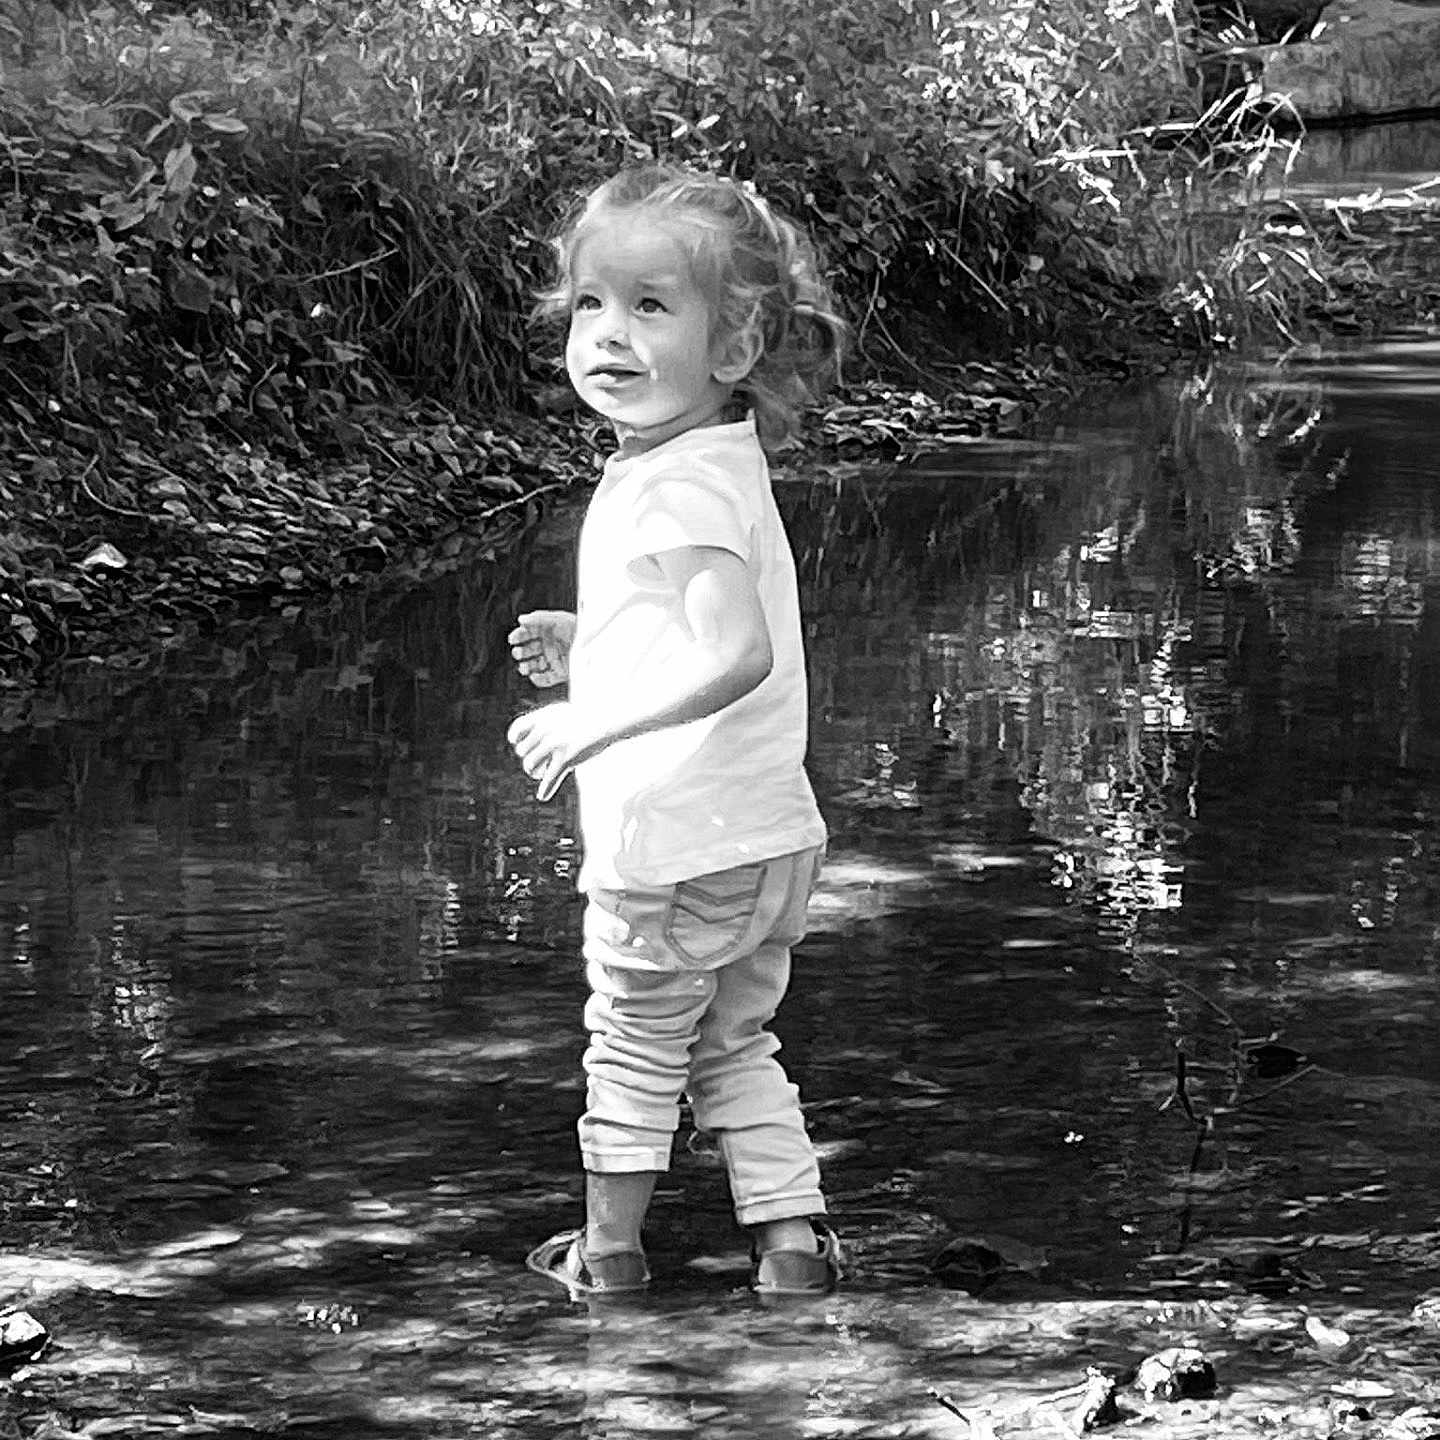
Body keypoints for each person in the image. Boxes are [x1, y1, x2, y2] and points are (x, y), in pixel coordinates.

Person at [506, 163, 846, 1297]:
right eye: (591, 303)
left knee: (635, 1044)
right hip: (766, 839)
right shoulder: (712, 460)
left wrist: (593, 716)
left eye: (651, 306)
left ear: (734, 345)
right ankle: (790, 1249)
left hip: (677, 849)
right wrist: (597, 641)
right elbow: (694, 628)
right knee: (735, 1045)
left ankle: (607, 1257)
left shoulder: (670, 491)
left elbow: (735, 653)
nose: (610, 332)